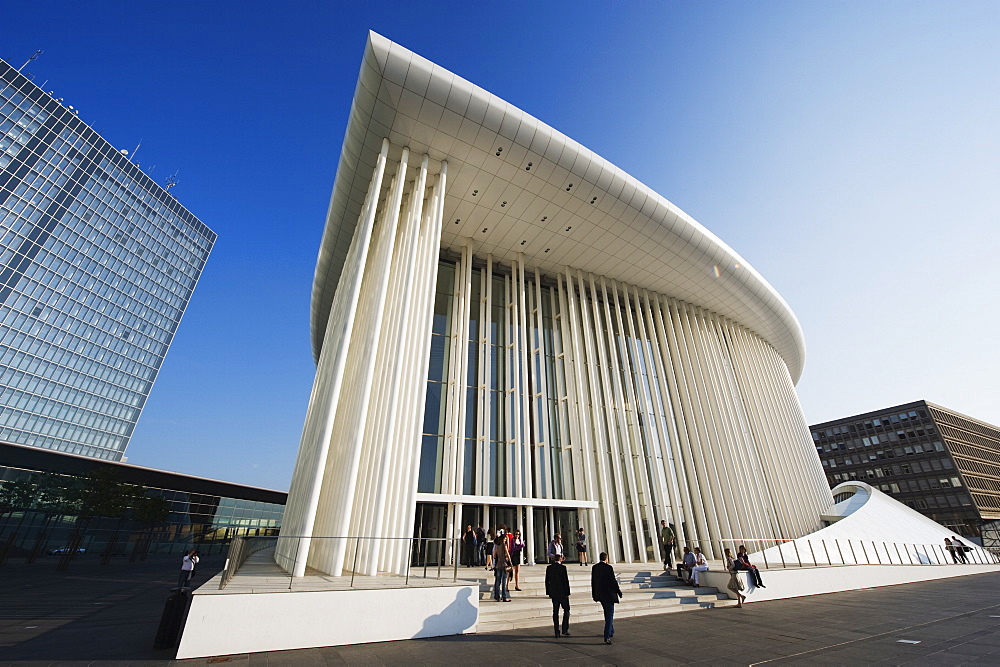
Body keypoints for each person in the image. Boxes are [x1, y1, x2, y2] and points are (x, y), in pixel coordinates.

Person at [591, 551, 622, 644]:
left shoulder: (595, 568)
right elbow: (613, 581)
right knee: (609, 615)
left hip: (601, 594)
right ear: (606, 558)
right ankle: (607, 635)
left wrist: (595, 595)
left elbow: (594, 582)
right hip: (609, 594)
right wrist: (618, 591)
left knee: (607, 613)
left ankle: (611, 631)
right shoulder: (609, 568)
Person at [545, 553, 571, 637]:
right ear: (560, 559)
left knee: (555, 611)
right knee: (566, 610)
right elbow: (565, 581)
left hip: (554, 593)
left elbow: (547, 581)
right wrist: (567, 592)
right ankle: (564, 629)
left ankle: (556, 631)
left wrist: (548, 592)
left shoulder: (549, 568)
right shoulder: (563, 568)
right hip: (562, 593)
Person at [492, 536, 512, 601]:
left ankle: (497, 596)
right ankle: (504, 596)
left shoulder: (497, 546)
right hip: (504, 564)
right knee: (504, 580)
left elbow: (494, 555)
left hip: (498, 565)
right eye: (505, 539)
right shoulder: (504, 545)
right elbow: (507, 554)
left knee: (497, 581)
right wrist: (510, 562)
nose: (506, 540)